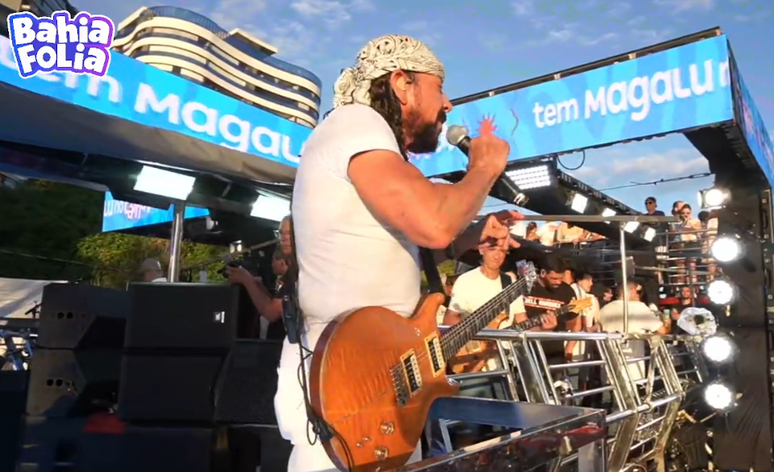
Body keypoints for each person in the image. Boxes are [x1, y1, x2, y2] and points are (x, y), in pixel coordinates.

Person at [277, 35, 520, 472]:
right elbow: (432, 222)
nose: (447, 104)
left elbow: (412, 238)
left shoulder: (374, 146)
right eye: (440, 88)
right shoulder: (357, 122)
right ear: (403, 83)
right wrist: (483, 168)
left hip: (385, 379)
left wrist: (468, 240)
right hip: (348, 384)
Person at [599, 280, 670, 382]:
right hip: (631, 371)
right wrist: (668, 322)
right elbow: (662, 331)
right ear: (631, 290)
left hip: (608, 369)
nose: (639, 295)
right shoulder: (638, 308)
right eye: (637, 292)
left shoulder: (604, 309)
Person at [522, 257, 579, 368]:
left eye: (561, 279)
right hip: (526, 349)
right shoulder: (526, 287)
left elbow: (574, 323)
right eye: (553, 278)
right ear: (543, 273)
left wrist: (569, 348)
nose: (558, 282)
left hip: (554, 354)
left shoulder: (567, 291)